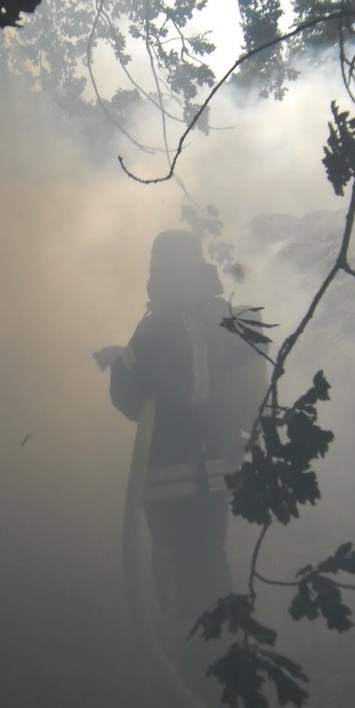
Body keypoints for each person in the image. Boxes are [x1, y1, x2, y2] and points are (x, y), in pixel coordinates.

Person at [95, 230, 263, 630]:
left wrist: (127, 362)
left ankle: (189, 660)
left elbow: (128, 396)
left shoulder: (160, 325)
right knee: (209, 561)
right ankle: (221, 660)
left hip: (171, 475)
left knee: (178, 571)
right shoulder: (225, 316)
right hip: (220, 471)